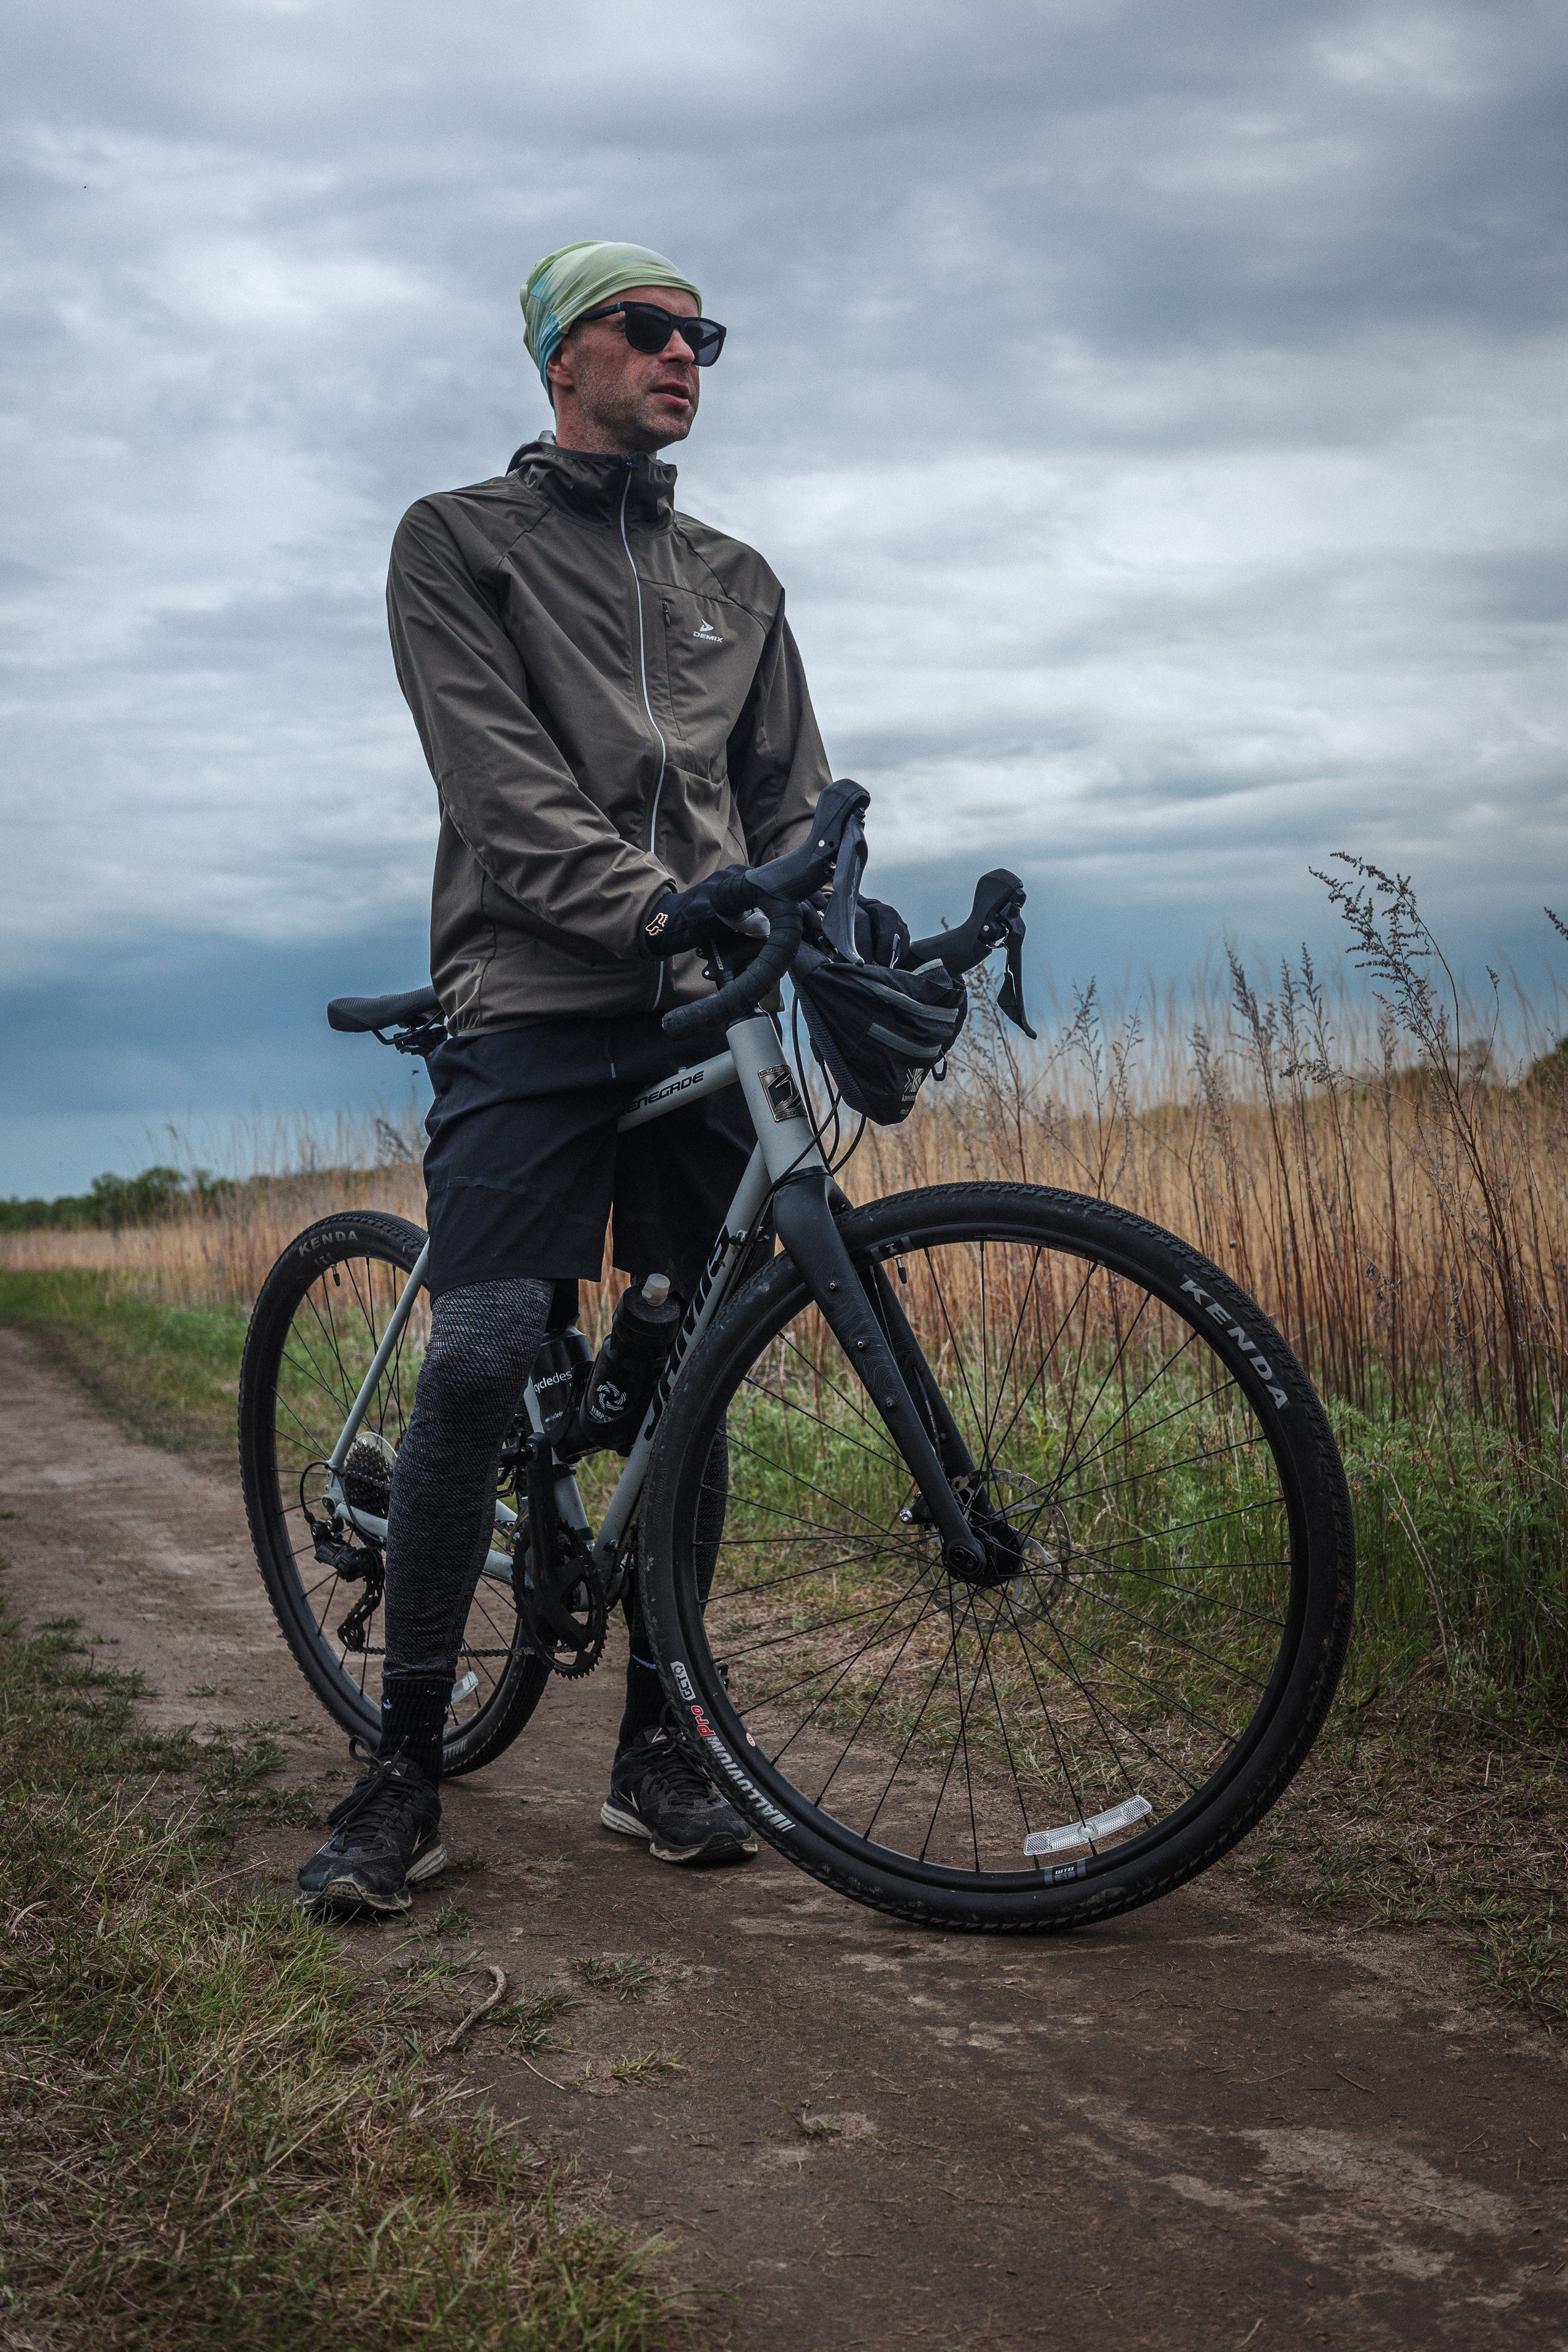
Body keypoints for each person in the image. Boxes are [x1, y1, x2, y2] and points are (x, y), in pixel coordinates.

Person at [297, 240, 891, 1917]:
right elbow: (499, 789)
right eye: (650, 328)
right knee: (485, 1345)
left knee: (689, 1372)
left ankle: (658, 1746)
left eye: (704, 333)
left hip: (708, 1010)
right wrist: (661, 905)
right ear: (564, 356)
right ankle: (401, 1766)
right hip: (533, 994)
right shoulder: (456, 545)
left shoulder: (738, 578)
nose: (685, 352)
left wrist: (834, 926)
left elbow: (789, 798)